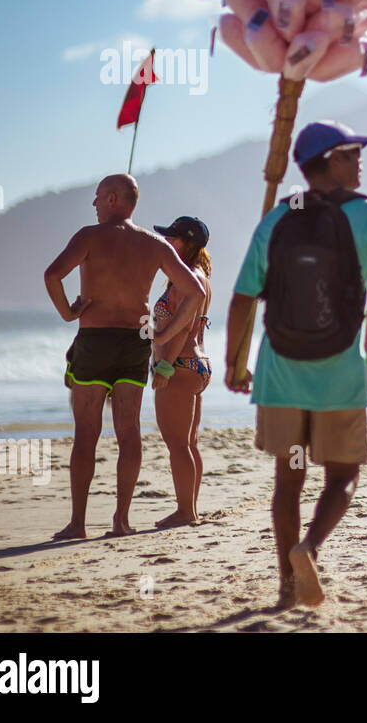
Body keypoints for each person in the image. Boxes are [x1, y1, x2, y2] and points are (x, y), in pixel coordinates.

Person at [225, 121, 367, 609]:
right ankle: (310, 548)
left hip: (280, 370)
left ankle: (286, 581)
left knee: (289, 479)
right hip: (340, 373)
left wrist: (234, 364)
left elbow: (242, 300)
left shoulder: (279, 217)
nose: (360, 158)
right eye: (351, 151)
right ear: (329, 160)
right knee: (343, 475)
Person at [44, 174, 204, 540]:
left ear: (114, 199)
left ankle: (78, 524)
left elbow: (52, 275)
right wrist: (162, 333)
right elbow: (194, 291)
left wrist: (69, 313)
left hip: (94, 340)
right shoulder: (154, 243)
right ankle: (121, 522)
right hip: (135, 342)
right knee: (129, 432)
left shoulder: (88, 236)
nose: (94, 204)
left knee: (86, 433)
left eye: (99, 197)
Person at [150, 216, 214, 528]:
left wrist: (163, 364)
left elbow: (183, 328)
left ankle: (185, 511)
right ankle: (190, 508)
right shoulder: (200, 275)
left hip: (178, 366)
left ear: (187, 244)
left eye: (172, 238)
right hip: (197, 366)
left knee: (178, 445)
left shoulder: (189, 277)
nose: (166, 242)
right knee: (188, 444)